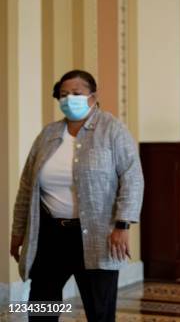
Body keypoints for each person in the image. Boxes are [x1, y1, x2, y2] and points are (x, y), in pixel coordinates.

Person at [10, 70, 144, 321]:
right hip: (50, 235)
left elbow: (132, 178)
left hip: (98, 235)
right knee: (41, 306)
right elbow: (27, 187)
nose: (68, 99)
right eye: (63, 94)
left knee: (99, 311)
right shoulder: (48, 134)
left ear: (92, 97)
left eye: (76, 93)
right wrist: (18, 231)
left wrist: (122, 225)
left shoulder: (112, 130)